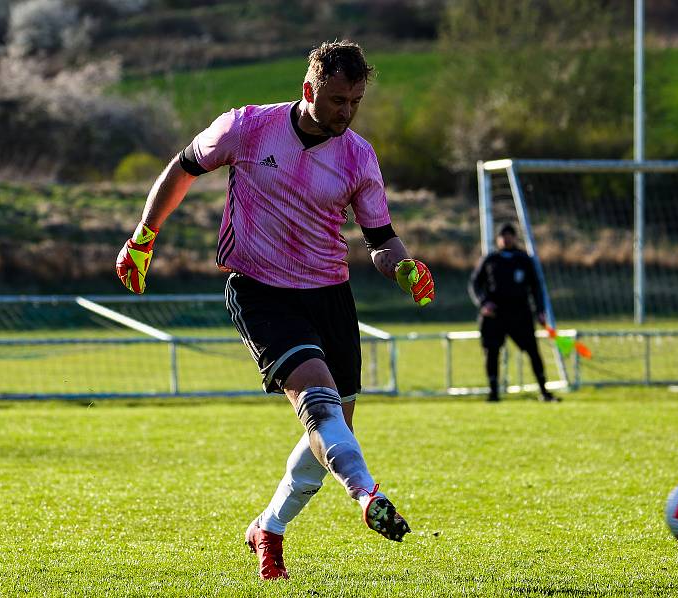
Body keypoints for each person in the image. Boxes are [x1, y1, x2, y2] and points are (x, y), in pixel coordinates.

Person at [115, 40, 435, 581]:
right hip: (261, 290)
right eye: (338, 100)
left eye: (356, 101)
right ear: (309, 90)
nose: (347, 111)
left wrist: (403, 268)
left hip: (330, 295)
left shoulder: (358, 155)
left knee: (331, 433)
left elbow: (380, 239)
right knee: (321, 409)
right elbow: (183, 167)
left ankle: (270, 527)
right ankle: (367, 495)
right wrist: (144, 236)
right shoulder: (247, 127)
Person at [468, 223, 558, 403]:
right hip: (495, 315)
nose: (506, 238)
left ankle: (544, 392)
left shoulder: (524, 259)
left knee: (533, 351)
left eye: (509, 235)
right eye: (503, 235)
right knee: (492, 352)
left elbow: (536, 287)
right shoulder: (491, 259)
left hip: (520, 313)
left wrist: (540, 311)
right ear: (498, 239)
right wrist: (484, 303)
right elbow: (474, 284)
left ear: (515, 237)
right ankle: (493, 393)